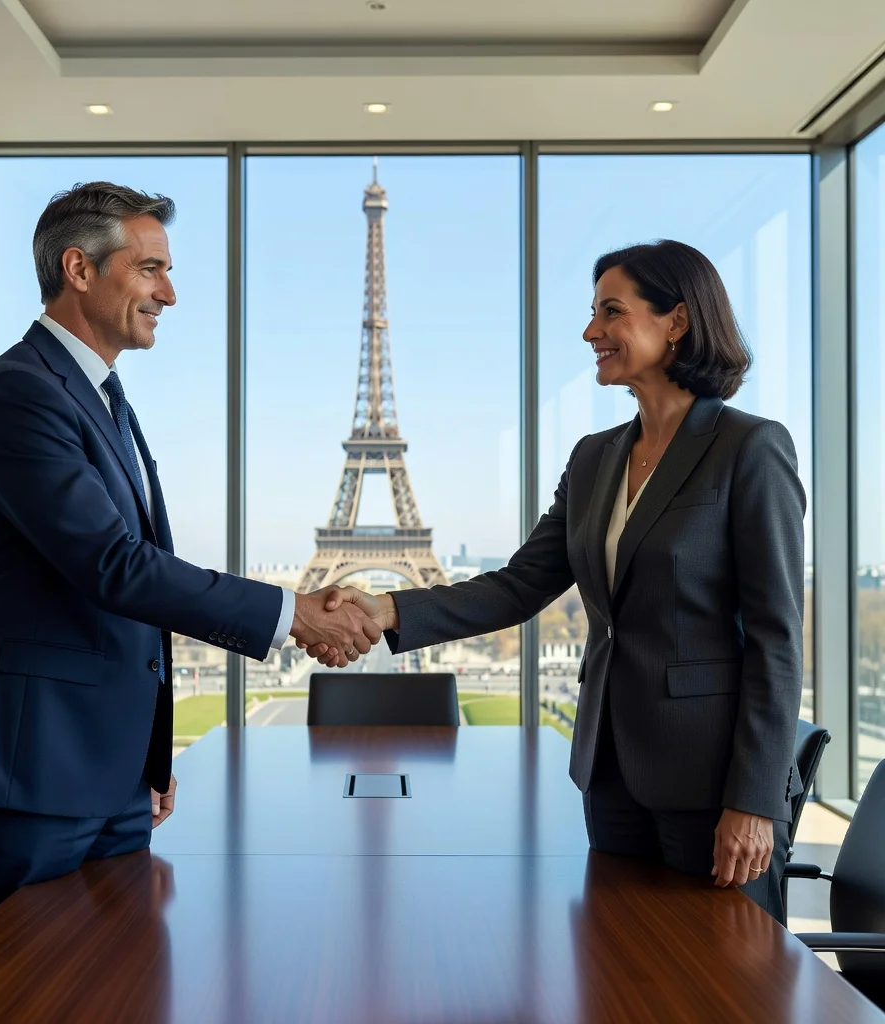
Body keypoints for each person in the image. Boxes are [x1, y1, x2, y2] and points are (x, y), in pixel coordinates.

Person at [0, 181, 381, 931]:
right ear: (79, 269)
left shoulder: (98, 396)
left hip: (105, 772)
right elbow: (114, 565)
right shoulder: (21, 394)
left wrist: (146, 756)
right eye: (150, 269)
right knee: (22, 999)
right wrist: (289, 612)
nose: (169, 292)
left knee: (119, 989)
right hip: (34, 773)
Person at [310, 239, 805, 923]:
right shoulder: (596, 457)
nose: (590, 332)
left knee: (722, 983)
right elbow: (519, 585)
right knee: (619, 969)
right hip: (610, 773)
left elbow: (778, 640)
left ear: (677, 322)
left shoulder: (750, 449)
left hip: (712, 783)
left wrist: (752, 802)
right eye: (591, 312)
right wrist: (385, 606)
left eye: (611, 312)